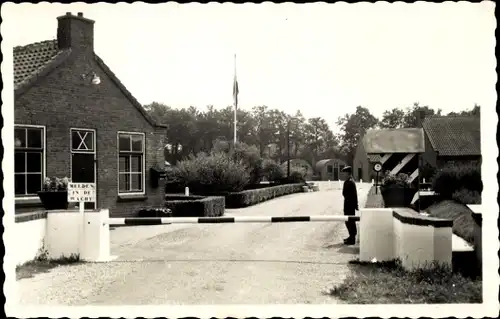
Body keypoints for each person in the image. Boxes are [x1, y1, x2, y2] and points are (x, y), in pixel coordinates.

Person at [341, 166, 358, 245]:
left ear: (348, 173)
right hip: (349, 204)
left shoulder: (350, 182)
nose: (343, 175)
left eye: (344, 173)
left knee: (350, 221)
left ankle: (352, 238)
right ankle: (351, 237)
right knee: (349, 221)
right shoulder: (349, 181)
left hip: (349, 205)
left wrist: (355, 205)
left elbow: (351, 195)